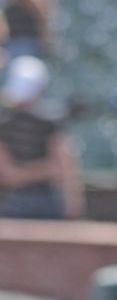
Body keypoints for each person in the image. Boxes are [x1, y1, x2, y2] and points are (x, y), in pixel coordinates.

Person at [0, 57, 82, 219]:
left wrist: (23, 173)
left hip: (35, 202)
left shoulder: (50, 122)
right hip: (31, 201)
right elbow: (9, 176)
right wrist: (48, 169)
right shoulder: (50, 122)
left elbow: (63, 167)